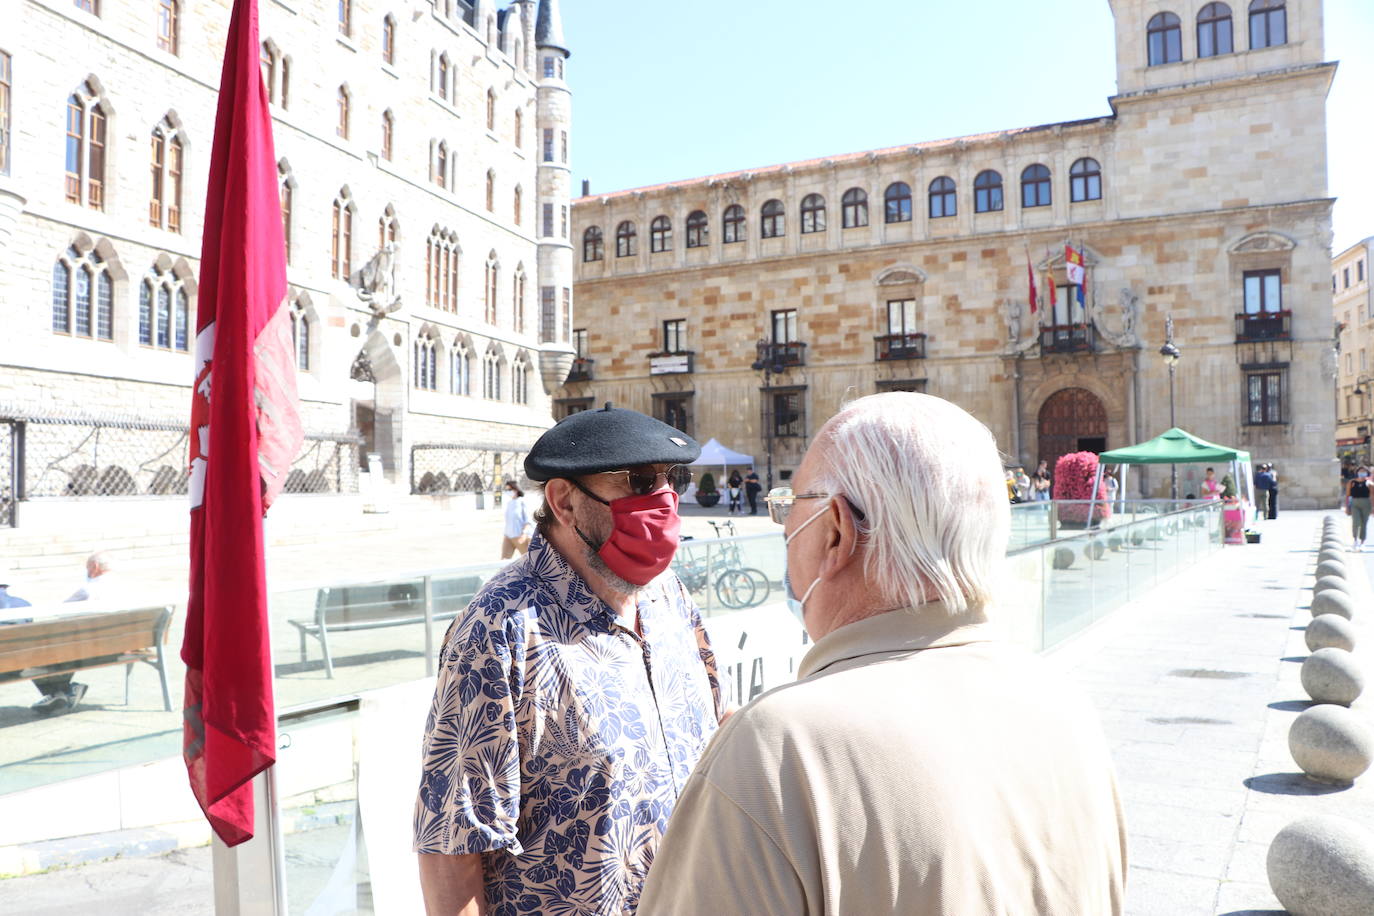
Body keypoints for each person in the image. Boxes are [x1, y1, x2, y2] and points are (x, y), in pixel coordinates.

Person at [637, 392, 1127, 916]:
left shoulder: (780, 750)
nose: (782, 527)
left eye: (790, 504)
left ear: (835, 532)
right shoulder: (1064, 704)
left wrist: (738, 762)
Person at [414, 405, 726, 916]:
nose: (665, 500)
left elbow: (717, 724)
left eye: (673, 479)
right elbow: (453, 849)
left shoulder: (669, 597)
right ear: (564, 501)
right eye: (640, 481)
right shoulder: (498, 630)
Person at [31, 551, 117, 715]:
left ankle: (59, 692)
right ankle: (64, 691)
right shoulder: (120, 586)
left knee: (38, 654)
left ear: (95, 567)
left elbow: (61, 612)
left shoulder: (88, 590)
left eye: (87, 567)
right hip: (116, 644)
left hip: (87, 646)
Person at [499, 479, 534, 559]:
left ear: (516, 489)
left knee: (528, 561)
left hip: (520, 536)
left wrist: (524, 534)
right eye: (506, 489)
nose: (508, 491)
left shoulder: (522, 501)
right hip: (508, 536)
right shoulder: (509, 503)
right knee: (504, 562)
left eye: (509, 489)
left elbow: (528, 521)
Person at [1346, 466, 1371, 551]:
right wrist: (1347, 507)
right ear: (1357, 472)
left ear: (1367, 473)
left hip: (1366, 504)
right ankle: (1355, 541)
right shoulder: (1352, 482)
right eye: (1361, 471)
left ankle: (1362, 543)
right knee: (1356, 522)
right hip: (1354, 503)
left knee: (1364, 523)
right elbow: (1348, 495)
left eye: (1364, 471)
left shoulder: (1369, 483)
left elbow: (1372, 496)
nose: (1362, 473)